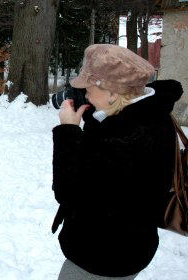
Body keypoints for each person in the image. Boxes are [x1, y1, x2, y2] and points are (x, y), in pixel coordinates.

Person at [51, 44, 184, 279]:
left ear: (113, 93)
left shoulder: (123, 140)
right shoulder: (149, 113)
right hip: (133, 246)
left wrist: (68, 131)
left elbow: (69, 191)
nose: (85, 93)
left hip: (102, 256)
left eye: (88, 88)